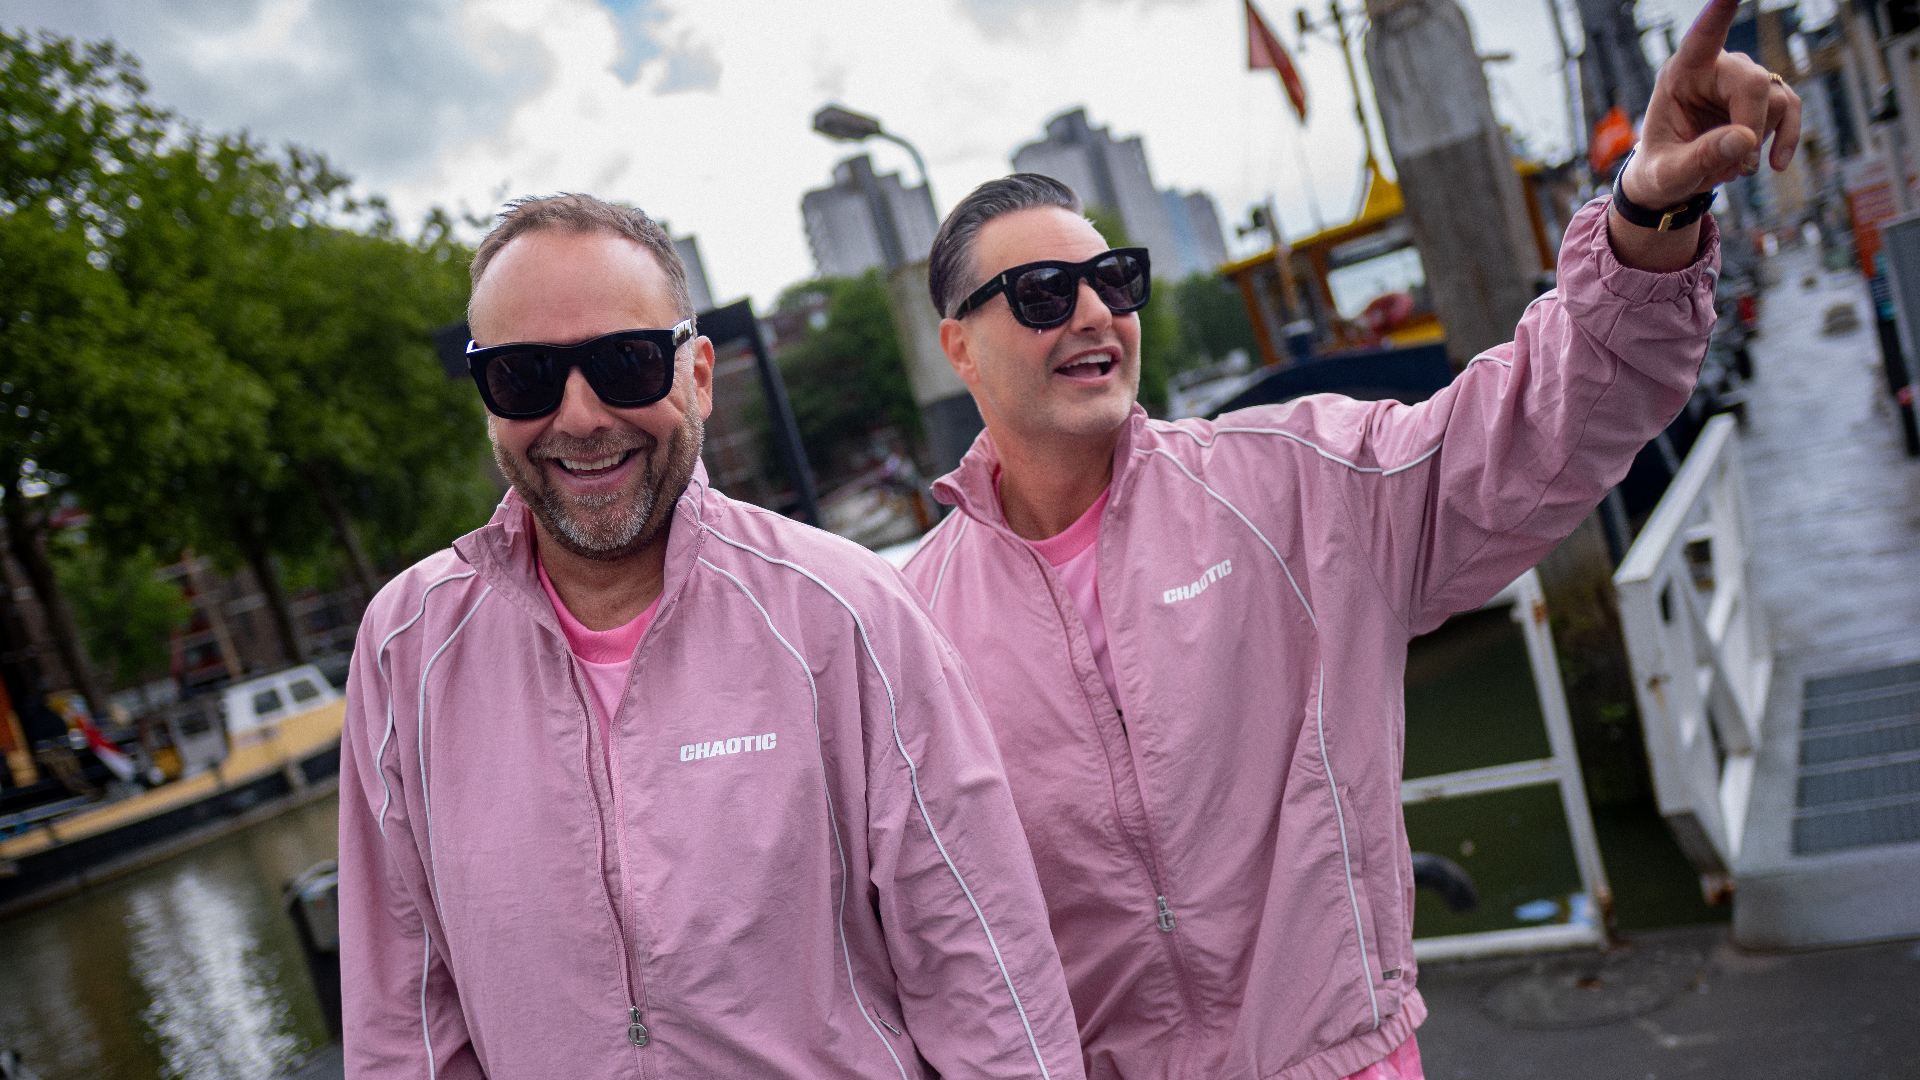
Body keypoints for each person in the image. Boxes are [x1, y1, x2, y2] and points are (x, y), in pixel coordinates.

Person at [900, 3, 1799, 1078]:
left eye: (1117, 279)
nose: (1095, 310)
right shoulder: (910, 626)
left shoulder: (1291, 486)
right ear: (960, 346)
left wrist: (1651, 209)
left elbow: (1534, 430)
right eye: (1044, 294)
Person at [336, 194, 1083, 1079]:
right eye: (524, 375)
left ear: (697, 375)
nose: (578, 417)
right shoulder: (404, 651)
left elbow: (987, 981)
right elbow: (404, 1024)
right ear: (486, 398)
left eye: (626, 363)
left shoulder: (845, 614)